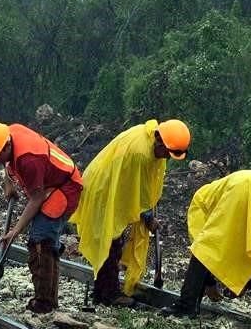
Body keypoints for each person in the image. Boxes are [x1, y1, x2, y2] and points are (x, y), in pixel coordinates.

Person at [70, 119, 191, 306]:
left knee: (112, 241)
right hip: (104, 189)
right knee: (109, 241)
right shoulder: (140, 155)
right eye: (167, 153)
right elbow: (136, 192)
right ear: (159, 141)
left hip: (113, 186)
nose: (166, 158)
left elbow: (146, 184)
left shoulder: (150, 140)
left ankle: (102, 291)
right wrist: (148, 217)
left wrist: (149, 209)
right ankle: (109, 294)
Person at [0, 121, 83, 314]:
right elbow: (6, 161)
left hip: (65, 187)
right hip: (49, 183)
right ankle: (49, 298)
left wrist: (15, 231)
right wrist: (8, 181)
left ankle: (44, 302)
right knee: (44, 241)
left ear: (7, 146)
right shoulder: (7, 133)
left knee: (40, 242)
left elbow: (36, 198)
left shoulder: (29, 159)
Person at [169, 170, 251, 319]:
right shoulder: (217, 192)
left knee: (205, 247)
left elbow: (204, 252)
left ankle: (185, 306)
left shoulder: (198, 203)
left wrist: (209, 284)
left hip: (243, 188)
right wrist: (245, 285)